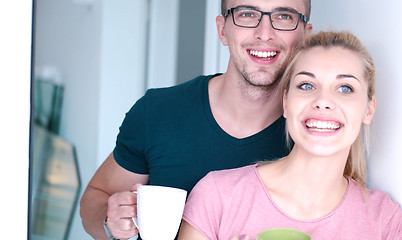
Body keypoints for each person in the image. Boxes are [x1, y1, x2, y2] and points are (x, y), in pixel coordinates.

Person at [79, 0, 313, 239]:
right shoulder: (158, 111)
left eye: (284, 16)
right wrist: (111, 221)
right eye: (247, 14)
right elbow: (94, 196)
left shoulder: (316, 135)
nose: (265, 33)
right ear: (222, 30)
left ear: (306, 35)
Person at [178, 31, 402, 240]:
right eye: (307, 85)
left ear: (368, 109)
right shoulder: (217, 196)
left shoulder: (384, 220)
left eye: (345, 88)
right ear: (286, 103)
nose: (323, 101)